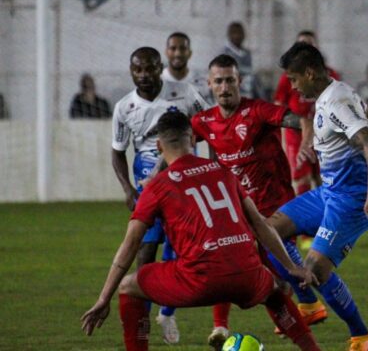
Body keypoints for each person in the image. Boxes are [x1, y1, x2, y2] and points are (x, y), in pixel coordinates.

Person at [82, 111, 322, 351]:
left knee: (128, 286)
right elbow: (261, 224)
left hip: (198, 281)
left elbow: (131, 243)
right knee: (273, 289)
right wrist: (292, 268)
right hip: (247, 275)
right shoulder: (223, 171)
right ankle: (312, 349)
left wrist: (104, 299)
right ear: (193, 140)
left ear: (158, 146)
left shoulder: (157, 185)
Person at [269, 42, 368, 351]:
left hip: (352, 200)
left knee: (315, 268)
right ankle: (308, 305)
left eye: (293, 79)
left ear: (310, 73)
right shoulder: (336, 92)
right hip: (330, 192)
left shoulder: (335, 102)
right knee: (269, 231)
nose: (291, 86)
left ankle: (362, 336)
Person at [191, 54, 328, 349]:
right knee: (233, 266)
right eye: (219, 81)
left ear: (239, 81)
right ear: (209, 85)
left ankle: (310, 307)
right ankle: (222, 327)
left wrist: (307, 140)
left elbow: (300, 119)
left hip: (276, 209)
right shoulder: (204, 121)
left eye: (230, 80)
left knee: (279, 276)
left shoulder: (257, 111)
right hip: (241, 212)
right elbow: (178, 146)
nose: (225, 86)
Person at [111, 47, 211, 344]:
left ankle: (167, 313)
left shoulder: (184, 92)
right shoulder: (124, 107)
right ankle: (143, 321)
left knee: (182, 248)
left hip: (183, 176)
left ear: (160, 68)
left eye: (149, 69)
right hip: (148, 183)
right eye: (137, 70)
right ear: (131, 71)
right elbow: (117, 153)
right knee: (145, 253)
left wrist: (212, 163)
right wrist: (128, 189)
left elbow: (208, 125)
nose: (143, 75)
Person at [274, 30, 341, 198]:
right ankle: (306, 215)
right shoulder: (287, 77)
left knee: (322, 175)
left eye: (309, 44)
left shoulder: (330, 77)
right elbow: (279, 106)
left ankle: (324, 209)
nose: (295, 86)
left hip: (323, 132)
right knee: (301, 176)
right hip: (296, 135)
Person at [162, 32, 212, 101]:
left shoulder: (204, 83)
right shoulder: (157, 80)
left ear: (190, 53)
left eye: (183, 48)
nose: (178, 54)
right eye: (173, 48)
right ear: (166, 52)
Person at [220, 21, 264, 99]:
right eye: (234, 33)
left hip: (247, 89)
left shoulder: (247, 53)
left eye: (240, 33)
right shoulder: (224, 53)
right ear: (229, 35)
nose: (237, 36)